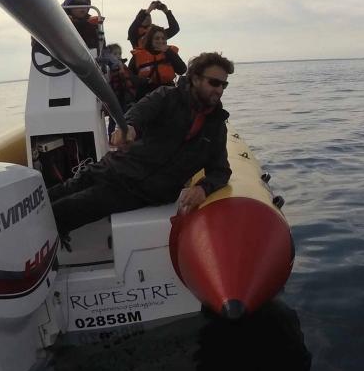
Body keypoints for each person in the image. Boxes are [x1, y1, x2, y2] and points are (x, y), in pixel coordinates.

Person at [50, 52, 234, 241]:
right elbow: (138, 113)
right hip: (114, 167)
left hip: (140, 192)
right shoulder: (167, 96)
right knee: (52, 196)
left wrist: (203, 188)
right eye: (214, 83)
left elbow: (220, 170)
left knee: (63, 211)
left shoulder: (216, 126)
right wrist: (127, 128)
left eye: (223, 84)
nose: (219, 90)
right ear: (195, 79)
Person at [128, 25, 187, 97]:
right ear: (150, 40)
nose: (161, 41)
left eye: (163, 38)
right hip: (147, 94)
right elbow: (129, 76)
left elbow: (182, 70)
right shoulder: (138, 55)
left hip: (168, 92)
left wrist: (168, 52)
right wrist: (143, 81)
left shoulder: (170, 53)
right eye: (157, 38)